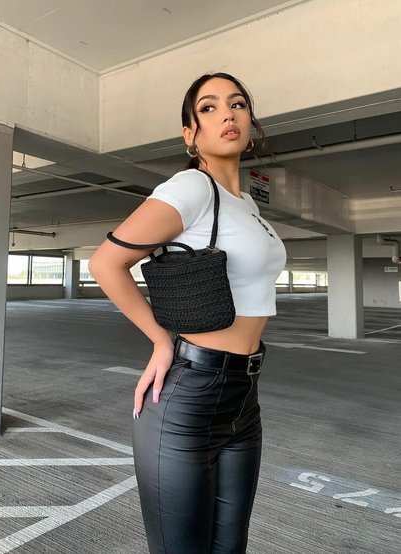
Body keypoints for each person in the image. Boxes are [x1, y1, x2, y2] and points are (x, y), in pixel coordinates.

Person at [89, 72, 287, 553]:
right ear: (189, 134)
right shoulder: (192, 187)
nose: (228, 114)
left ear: (250, 122)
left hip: (244, 396)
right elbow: (106, 263)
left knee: (230, 546)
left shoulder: (246, 204)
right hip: (189, 398)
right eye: (209, 107)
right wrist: (161, 340)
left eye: (238, 104)